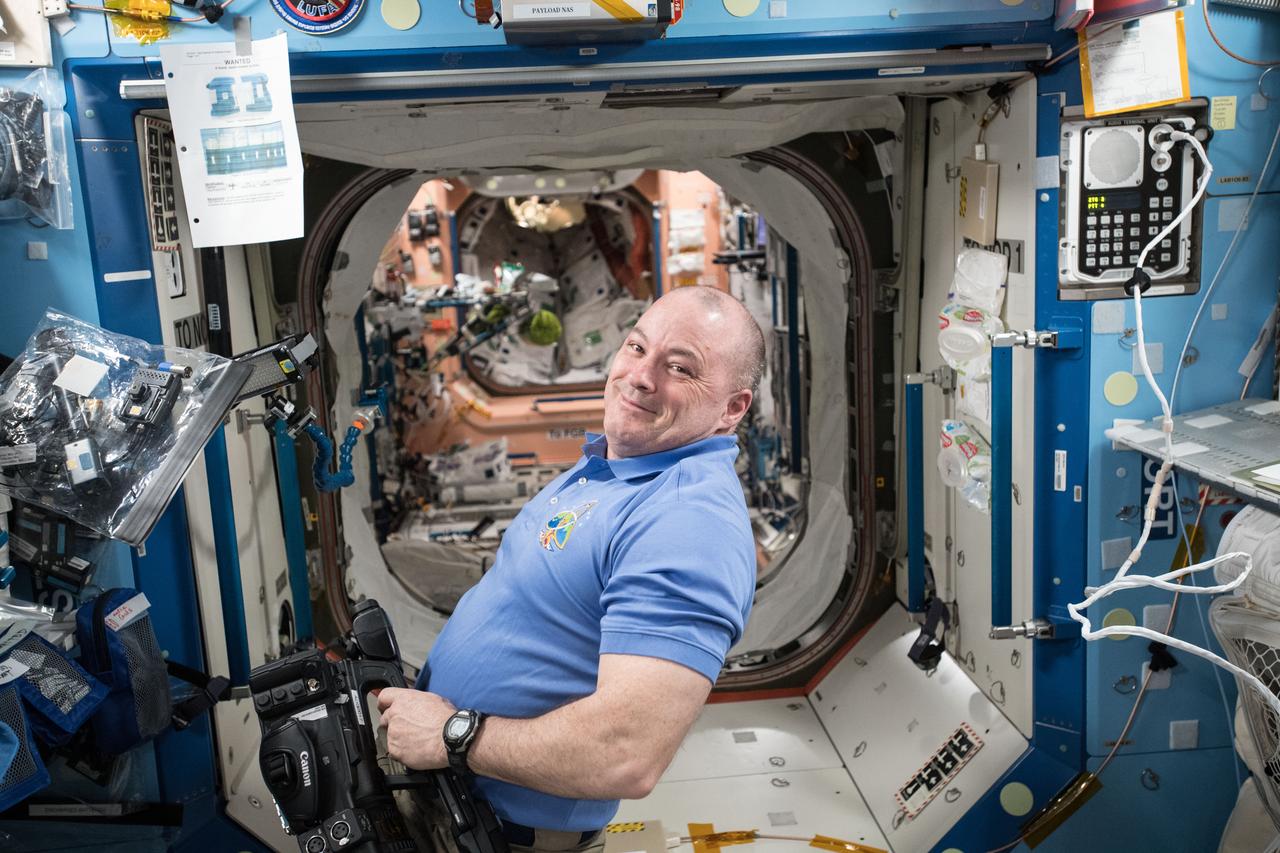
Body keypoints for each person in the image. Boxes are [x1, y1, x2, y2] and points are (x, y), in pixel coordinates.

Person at [377, 285, 765, 852]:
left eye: (680, 368)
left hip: (493, 834)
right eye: (637, 347)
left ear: (732, 407)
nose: (640, 376)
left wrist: (450, 733)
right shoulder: (615, 464)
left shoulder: (688, 523)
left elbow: (624, 755)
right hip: (449, 796)